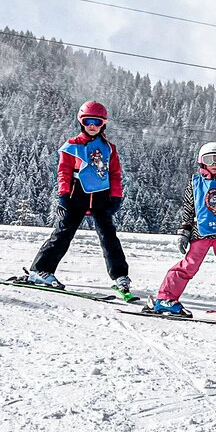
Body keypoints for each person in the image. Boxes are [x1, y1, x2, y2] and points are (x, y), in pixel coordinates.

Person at [26, 101, 132, 300]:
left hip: (101, 196)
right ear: (81, 123)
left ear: (103, 124)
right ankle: (40, 270)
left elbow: (115, 174)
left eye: (97, 122)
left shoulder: (109, 148)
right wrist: (63, 195)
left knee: (109, 237)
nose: (92, 126)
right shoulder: (72, 145)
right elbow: (64, 172)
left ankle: (120, 276)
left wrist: (116, 196)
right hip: (77, 194)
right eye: (88, 121)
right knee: (63, 233)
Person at [153, 142, 216, 319]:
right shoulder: (195, 183)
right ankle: (165, 298)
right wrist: (184, 231)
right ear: (202, 162)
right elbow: (188, 208)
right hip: (201, 232)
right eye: (209, 160)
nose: (214, 163)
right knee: (188, 266)